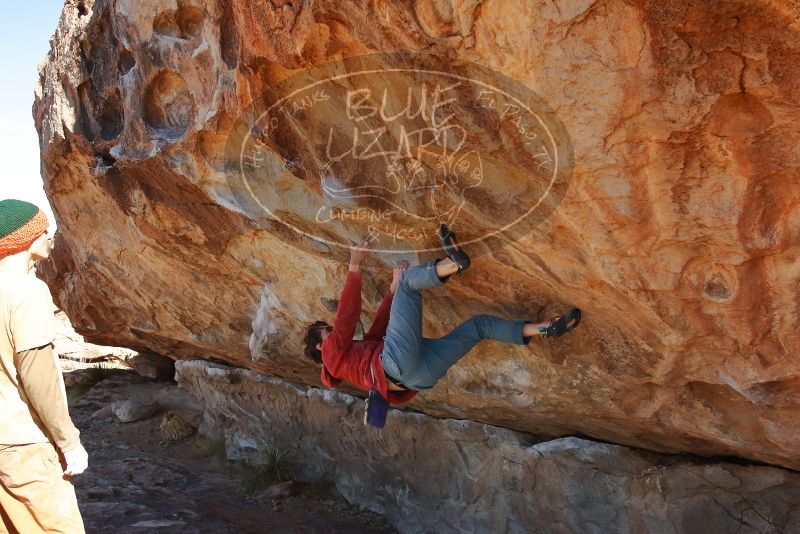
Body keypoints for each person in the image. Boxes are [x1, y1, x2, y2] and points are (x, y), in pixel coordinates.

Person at [303, 224, 581, 405]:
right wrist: (354, 265)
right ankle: (453, 264)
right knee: (412, 281)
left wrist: (391, 290)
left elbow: (377, 334)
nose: (331, 333)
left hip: (419, 378)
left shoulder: (348, 364)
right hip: (396, 364)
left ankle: (545, 328)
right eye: (324, 332)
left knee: (479, 326)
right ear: (319, 344)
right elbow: (345, 320)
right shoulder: (330, 355)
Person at [0, 199, 87, 534]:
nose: (50, 235)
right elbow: (38, 376)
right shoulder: (27, 292)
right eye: (42, 229)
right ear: (26, 239)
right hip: (23, 442)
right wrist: (69, 442)